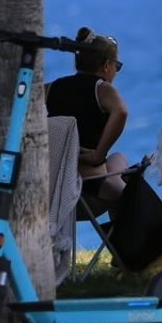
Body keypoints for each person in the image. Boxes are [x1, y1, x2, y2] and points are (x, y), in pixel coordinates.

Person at [46, 27, 130, 214]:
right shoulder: (102, 89)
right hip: (88, 188)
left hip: (53, 186)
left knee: (118, 159)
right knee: (126, 178)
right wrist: (97, 155)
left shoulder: (52, 87)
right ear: (106, 65)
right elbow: (121, 111)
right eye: (117, 66)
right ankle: (122, 241)